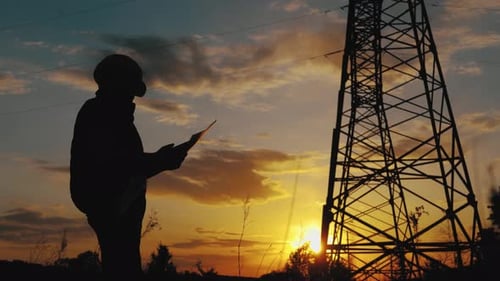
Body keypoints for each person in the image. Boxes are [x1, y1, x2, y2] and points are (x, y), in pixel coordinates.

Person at [69, 54, 187, 280]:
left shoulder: (111, 116)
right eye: (128, 88)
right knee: (123, 269)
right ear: (114, 84)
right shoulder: (99, 113)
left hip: (121, 206)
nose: (132, 96)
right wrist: (161, 160)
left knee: (123, 267)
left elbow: (127, 163)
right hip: (113, 208)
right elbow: (116, 164)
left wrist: (160, 160)